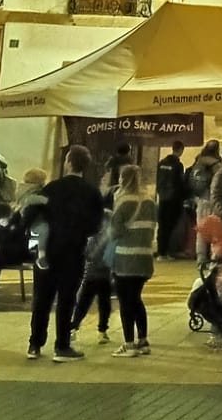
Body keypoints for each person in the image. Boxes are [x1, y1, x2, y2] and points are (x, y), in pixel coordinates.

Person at [27, 145, 105, 361]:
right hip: (74, 251)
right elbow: (96, 226)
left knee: (42, 298)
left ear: (68, 162)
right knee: (67, 299)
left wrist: (34, 248)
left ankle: (35, 344)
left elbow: (34, 217)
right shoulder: (92, 192)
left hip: (48, 250)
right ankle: (62, 346)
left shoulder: (51, 188)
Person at [109, 163, 156, 356]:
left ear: (122, 179)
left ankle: (128, 344)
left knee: (125, 302)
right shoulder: (150, 200)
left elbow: (115, 231)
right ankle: (143, 341)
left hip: (126, 257)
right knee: (136, 299)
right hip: (145, 257)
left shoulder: (123, 200)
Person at [71, 205, 114, 345]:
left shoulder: (91, 235)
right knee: (104, 304)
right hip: (105, 275)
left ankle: (74, 328)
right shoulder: (110, 237)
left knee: (84, 302)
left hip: (92, 274)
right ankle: (102, 331)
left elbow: (87, 254)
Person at [188, 141, 221, 261]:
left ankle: (200, 256)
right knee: (215, 229)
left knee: (201, 230)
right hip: (212, 198)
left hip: (200, 198)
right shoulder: (216, 163)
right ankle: (214, 255)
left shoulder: (198, 162)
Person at [154, 138, 187, 259]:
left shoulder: (162, 163)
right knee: (169, 226)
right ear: (180, 150)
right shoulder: (177, 165)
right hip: (173, 199)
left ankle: (160, 250)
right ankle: (165, 252)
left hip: (162, 198)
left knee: (162, 225)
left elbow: (158, 180)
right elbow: (179, 183)